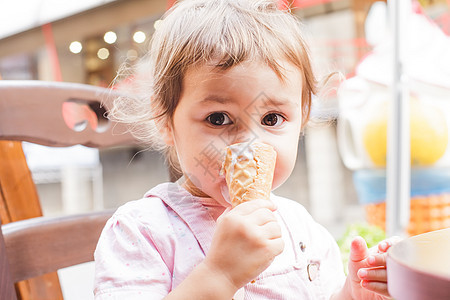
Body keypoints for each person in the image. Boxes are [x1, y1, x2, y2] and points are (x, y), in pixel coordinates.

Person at [94, 0, 397, 299]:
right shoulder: (142, 233)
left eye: (272, 119)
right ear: (165, 121)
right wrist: (219, 275)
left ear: (302, 118)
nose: (249, 145)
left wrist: (352, 293)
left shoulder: (300, 226)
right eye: (218, 119)